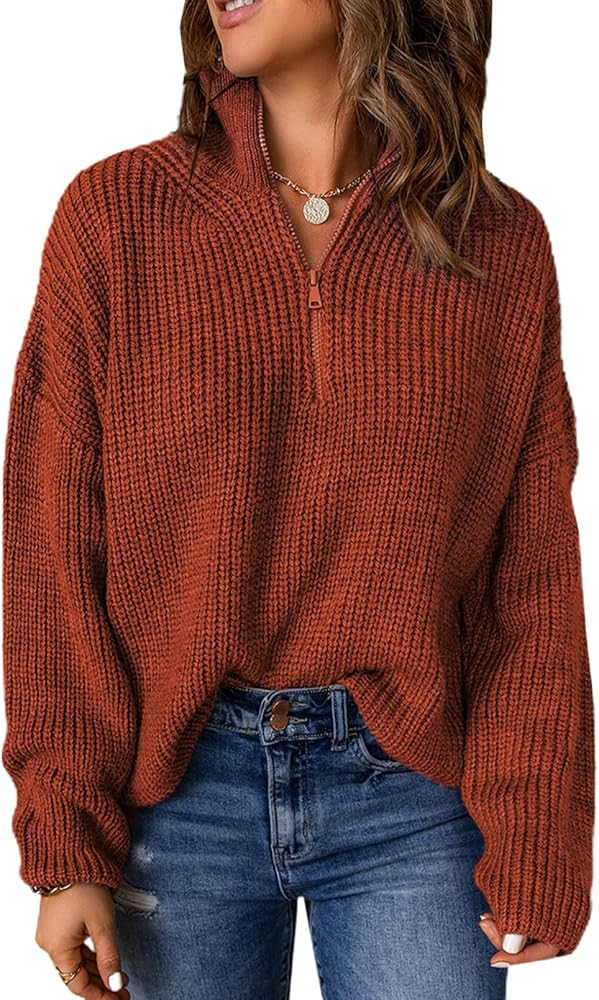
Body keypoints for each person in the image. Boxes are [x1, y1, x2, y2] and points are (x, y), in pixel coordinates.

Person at [2, 1, 594, 997]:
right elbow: (51, 544)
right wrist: (65, 843)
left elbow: (527, 568)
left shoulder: (497, 241)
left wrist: (538, 827)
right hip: (177, 790)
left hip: (414, 794)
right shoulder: (115, 215)